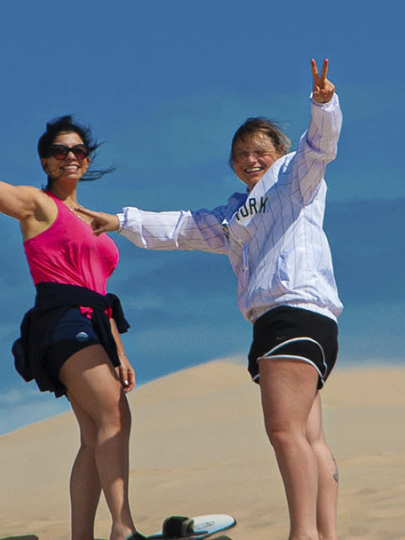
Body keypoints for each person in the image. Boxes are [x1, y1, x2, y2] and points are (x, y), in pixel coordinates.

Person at [78, 60, 343, 540]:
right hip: (294, 320)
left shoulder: (295, 178)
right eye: (241, 154)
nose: (250, 160)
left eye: (260, 151)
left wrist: (323, 104)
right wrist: (119, 220)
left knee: (283, 431)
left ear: (278, 153)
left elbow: (320, 146)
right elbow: (181, 228)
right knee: (309, 436)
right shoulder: (234, 214)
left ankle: (303, 535)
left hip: (294, 311)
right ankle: (324, 534)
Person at [0, 80, 142, 540]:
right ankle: (123, 527)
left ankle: (82, 536)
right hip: (59, 319)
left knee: (94, 434)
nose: (71, 157)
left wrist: (118, 352)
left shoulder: (96, 221)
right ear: (45, 160)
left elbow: (102, 294)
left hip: (94, 324)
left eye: (79, 150)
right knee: (114, 416)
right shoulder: (39, 206)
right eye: (60, 151)